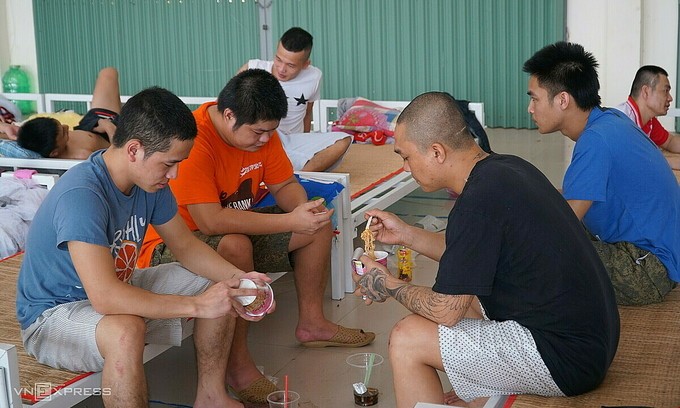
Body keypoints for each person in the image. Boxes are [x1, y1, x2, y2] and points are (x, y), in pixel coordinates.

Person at [352, 91, 619, 408]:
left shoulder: (476, 202)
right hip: (592, 340)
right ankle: (479, 395)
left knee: (408, 337)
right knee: (467, 297)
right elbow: (467, 255)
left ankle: (479, 392)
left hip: (565, 358)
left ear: (437, 152)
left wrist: (385, 282)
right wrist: (407, 234)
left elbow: (445, 311)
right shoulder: (504, 169)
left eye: (406, 156)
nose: (406, 167)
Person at [16, 86, 272, 408]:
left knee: (220, 287)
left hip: (115, 287)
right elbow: (106, 298)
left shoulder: (149, 182)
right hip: (54, 315)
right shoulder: (82, 195)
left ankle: (212, 396)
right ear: (134, 150)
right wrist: (196, 306)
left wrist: (242, 279)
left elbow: (186, 247)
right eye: (169, 164)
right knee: (126, 330)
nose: (174, 174)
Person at [138, 69, 375, 405]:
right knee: (236, 245)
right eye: (259, 132)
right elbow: (210, 221)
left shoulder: (261, 133)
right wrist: (289, 221)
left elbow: (284, 185)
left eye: (271, 132)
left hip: (231, 232)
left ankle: (313, 323)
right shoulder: (195, 139)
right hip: (174, 243)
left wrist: (302, 212)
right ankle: (238, 367)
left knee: (318, 222)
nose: (266, 139)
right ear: (229, 115)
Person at [524, 41, 680, 305]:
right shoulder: (610, 121)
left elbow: (563, 224)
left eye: (534, 98)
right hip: (660, 256)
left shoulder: (596, 141)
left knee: (533, 251)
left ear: (563, 99)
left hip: (648, 270)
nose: (530, 108)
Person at [238, 27, 352, 172]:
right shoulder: (253, 69)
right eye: (278, 59)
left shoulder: (314, 76)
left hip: (293, 140)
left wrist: (306, 141)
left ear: (305, 64)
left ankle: (297, 177)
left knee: (344, 140)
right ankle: (285, 173)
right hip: (262, 139)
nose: (281, 69)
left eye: (290, 65)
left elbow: (307, 113)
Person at [15, 67, 121, 159]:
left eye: (61, 125)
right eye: (64, 133)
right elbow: (118, 155)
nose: (66, 127)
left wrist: (97, 126)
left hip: (93, 124)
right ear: (54, 153)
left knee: (108, 73)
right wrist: (108, 127)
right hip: (113, 136)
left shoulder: (41, 139)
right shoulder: (83, 156)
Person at [614, 65, 680, 169]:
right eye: (665, 91)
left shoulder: (649, 121)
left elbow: (670, 142)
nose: (670, 98)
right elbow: (632, 159)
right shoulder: (622, 121)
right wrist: (670, 162)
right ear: (646, 92)